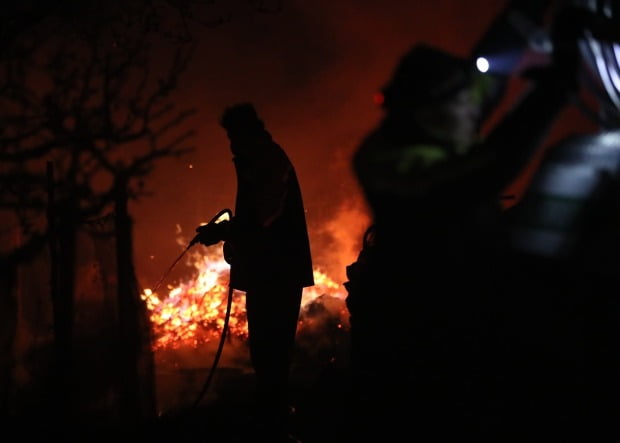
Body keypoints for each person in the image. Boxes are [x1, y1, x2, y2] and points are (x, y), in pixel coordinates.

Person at [345, 37, 581, 441]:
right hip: (424, 365)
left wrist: (531, 11)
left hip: (457, 349)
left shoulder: (430, 129)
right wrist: (551, 91)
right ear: (428, 110)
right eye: (460, 104)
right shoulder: (392, 164)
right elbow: (494, 164)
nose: (473, 110)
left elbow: (477, 87)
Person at [195, 103, 315, 441]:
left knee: (272, 352)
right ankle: (271, 421)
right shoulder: (256, 160)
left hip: (279, 272)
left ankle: (275, 426)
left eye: (234, 137)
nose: (231, 146)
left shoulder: (268, 161)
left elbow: (263, 218)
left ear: (247, 133)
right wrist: (228, 235)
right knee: (265, 353)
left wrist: (223, 232)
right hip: (268, 272)